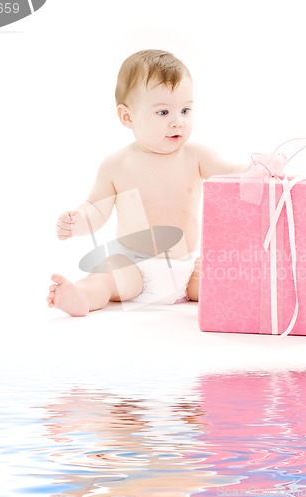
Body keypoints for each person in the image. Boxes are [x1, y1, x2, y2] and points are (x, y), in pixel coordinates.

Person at [47, 49, 248, 316]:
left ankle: (257, 300)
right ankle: (81, 295)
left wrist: (256, 168)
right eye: (163, 112)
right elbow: (96, 209)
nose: (178, 121)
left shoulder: (198, 156)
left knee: (223, 276)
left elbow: (231, 172)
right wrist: (77, 222)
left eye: (186, 110)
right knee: (107, 274)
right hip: (135, 266)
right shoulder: (117, 165)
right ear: (127, 117)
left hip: (187, 267)